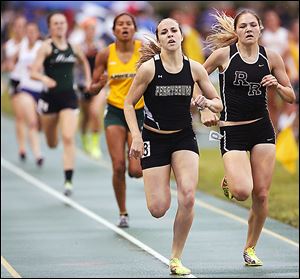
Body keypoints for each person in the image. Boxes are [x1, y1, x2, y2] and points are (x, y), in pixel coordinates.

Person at [124, 18, 222, 275]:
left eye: (174, 30)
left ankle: (176, 257)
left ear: (181, 36)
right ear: (159, 39)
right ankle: (159, 176)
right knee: (158, 209)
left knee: (188, 195)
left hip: (183, 138)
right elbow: (128, 103)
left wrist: (206, 106)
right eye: (164, 32)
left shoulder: (195, 69)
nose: (170, 35)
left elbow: (217, 102)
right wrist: (136, 136)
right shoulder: (149, 69)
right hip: (154, 139)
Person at [201, 10, 296, 266]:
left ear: (261, 28)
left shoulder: (271, 57)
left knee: (262, 195)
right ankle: (233, 178)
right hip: (232, 130)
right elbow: (197, 75)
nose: (249, 29)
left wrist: (276, 84)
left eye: (253, 25)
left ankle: (250, 248)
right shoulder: (224, 55)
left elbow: (291, 96)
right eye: (243, 26)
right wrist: (206, 106)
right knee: (242, 191)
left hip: (262, 129)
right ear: (237, 30)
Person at [89, 13, 144, 228]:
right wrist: (98, 86)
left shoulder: (144, 52)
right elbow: (92, 89)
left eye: (128, 24)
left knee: (136, 170)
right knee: (118, 166)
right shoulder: (104, 54)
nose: (124, 27)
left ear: (134, 28)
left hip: (138, 111)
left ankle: (138, 169)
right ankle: (123, 212)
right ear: (113, 31)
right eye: (120, 24)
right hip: (114, 112)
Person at [31, 12, 91, 196]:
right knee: (51, 142)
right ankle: (49, 130)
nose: (59, 26)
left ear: (67, 25)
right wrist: (44, 78)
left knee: (67, 138)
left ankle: (68, 181)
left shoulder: (74, 47)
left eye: (62, 23)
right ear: (49, 27)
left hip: (68, 98)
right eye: (55, 23)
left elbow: (84, 63)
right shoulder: (46, 47)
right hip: (50, 98)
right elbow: (33, 72)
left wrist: (88, 80)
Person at [10, 22, 45, 166]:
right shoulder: (20, 47)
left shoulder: (41, 47)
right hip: (24, 88)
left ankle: (31, 148)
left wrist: (38, 67)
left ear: (37, 33)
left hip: (41, 89)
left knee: (40, 123)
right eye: (28, 31)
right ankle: (36, 154)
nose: (30, 34)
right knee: (29, 121)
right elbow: (11, 63)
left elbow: (47, 65)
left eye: (33, 32)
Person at [75, 18, 107, 159]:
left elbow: (107, 62)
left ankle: (95, 144)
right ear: (84, 30)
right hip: (82, 85)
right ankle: (84, 139)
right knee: (86, 116)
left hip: (98, 84)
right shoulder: (78, 46)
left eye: (94, 29)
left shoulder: (100, 45)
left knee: (95, 112)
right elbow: (75, 66)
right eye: (89, 29)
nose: (91, 31)